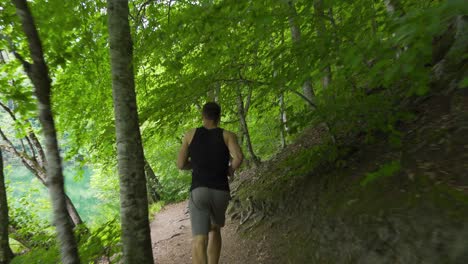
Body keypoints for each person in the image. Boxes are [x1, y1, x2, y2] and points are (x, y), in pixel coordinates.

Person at [177, 102, 243, 264]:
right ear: (219, 117)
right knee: (215, 230)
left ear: (203, 116)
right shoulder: (228, 135)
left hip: (199, 191)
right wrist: (229, 170)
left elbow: (180, 164)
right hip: (221, 191)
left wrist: (195, 164)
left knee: (199, 240)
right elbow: (239, 158)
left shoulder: (190, 134)